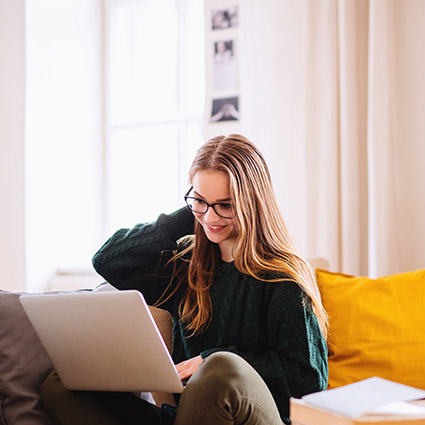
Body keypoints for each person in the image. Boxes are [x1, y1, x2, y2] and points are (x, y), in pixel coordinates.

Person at [41, 134, 328, 425]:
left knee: (220, 369)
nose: (210, 217)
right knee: (63, 383)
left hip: (253, 417)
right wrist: (190, 215)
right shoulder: (187, 265)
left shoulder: (283, 278)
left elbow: (310, 380)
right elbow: (109, 260)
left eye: (225, 206)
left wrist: (213, 359)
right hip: (185, 418)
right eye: (200, 201)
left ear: (251, 203)